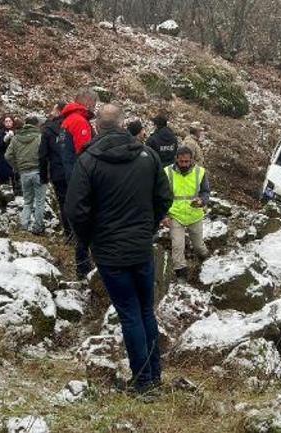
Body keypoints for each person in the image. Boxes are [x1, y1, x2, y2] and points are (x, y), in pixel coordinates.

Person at [65, 103, 172, 394]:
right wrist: (147, 228)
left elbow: (75, 210)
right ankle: (153, 376)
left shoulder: (88, 161)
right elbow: (165, 197)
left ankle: (145, 383)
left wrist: (89, 239)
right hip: (139, 246)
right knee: (145, 311)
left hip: (110, 250)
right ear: (123, 124)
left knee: (130, 314)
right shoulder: (147, 155)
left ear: (98, 126)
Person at [59, 88, 98, 277]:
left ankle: (84, 264)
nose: (95, 108)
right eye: (95, 104)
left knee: (80, 222)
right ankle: (84, 267)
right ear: (88, 102)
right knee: (87, 223)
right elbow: (86, 154)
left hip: (71, 179)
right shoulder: (79, 122)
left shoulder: (66, 121)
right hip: (82, 181)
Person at [163, 146, 210, 281]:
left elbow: (206, 191)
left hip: (194, 214)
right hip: (175, 215)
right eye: (181, 161)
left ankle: (206, 260)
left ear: (191, 160)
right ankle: (181, 275)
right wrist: (164, 215)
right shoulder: (167, 172)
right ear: (176, 159)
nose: (184, 164)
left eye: (187, 162)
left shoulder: (200, 172)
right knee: (177, 246)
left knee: (199, 245)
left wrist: (202, 200)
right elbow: (161, 195)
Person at [6, 116, 46, 235]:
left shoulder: (16, 138)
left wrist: (17, 167)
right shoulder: (40, 137)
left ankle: (24, 226)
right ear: (36, 125)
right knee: (39, 202)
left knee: (27, 201)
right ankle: (38, 227)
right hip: (38, 172)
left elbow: (8, 156)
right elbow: (45, 155)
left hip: (24, 174)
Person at [39, 101, 70, 234]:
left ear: (58, 111)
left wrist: (43, 177)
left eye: (53, 109)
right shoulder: (73, 124)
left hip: (57, 171)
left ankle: (69, 233)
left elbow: (42, 155)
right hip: (75, 169)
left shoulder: (48, 129)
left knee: (63, 202)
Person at [0, 115, 16, 186]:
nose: (8, 123)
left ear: (12, 122)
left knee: (15, 179)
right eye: (6, 121)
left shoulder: (16, 133)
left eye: (9, 121)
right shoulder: (0, 133)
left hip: (14, 159)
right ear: (4, 123)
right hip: (3, 159)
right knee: (4, 180)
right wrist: (4, 140)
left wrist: (14, 138)